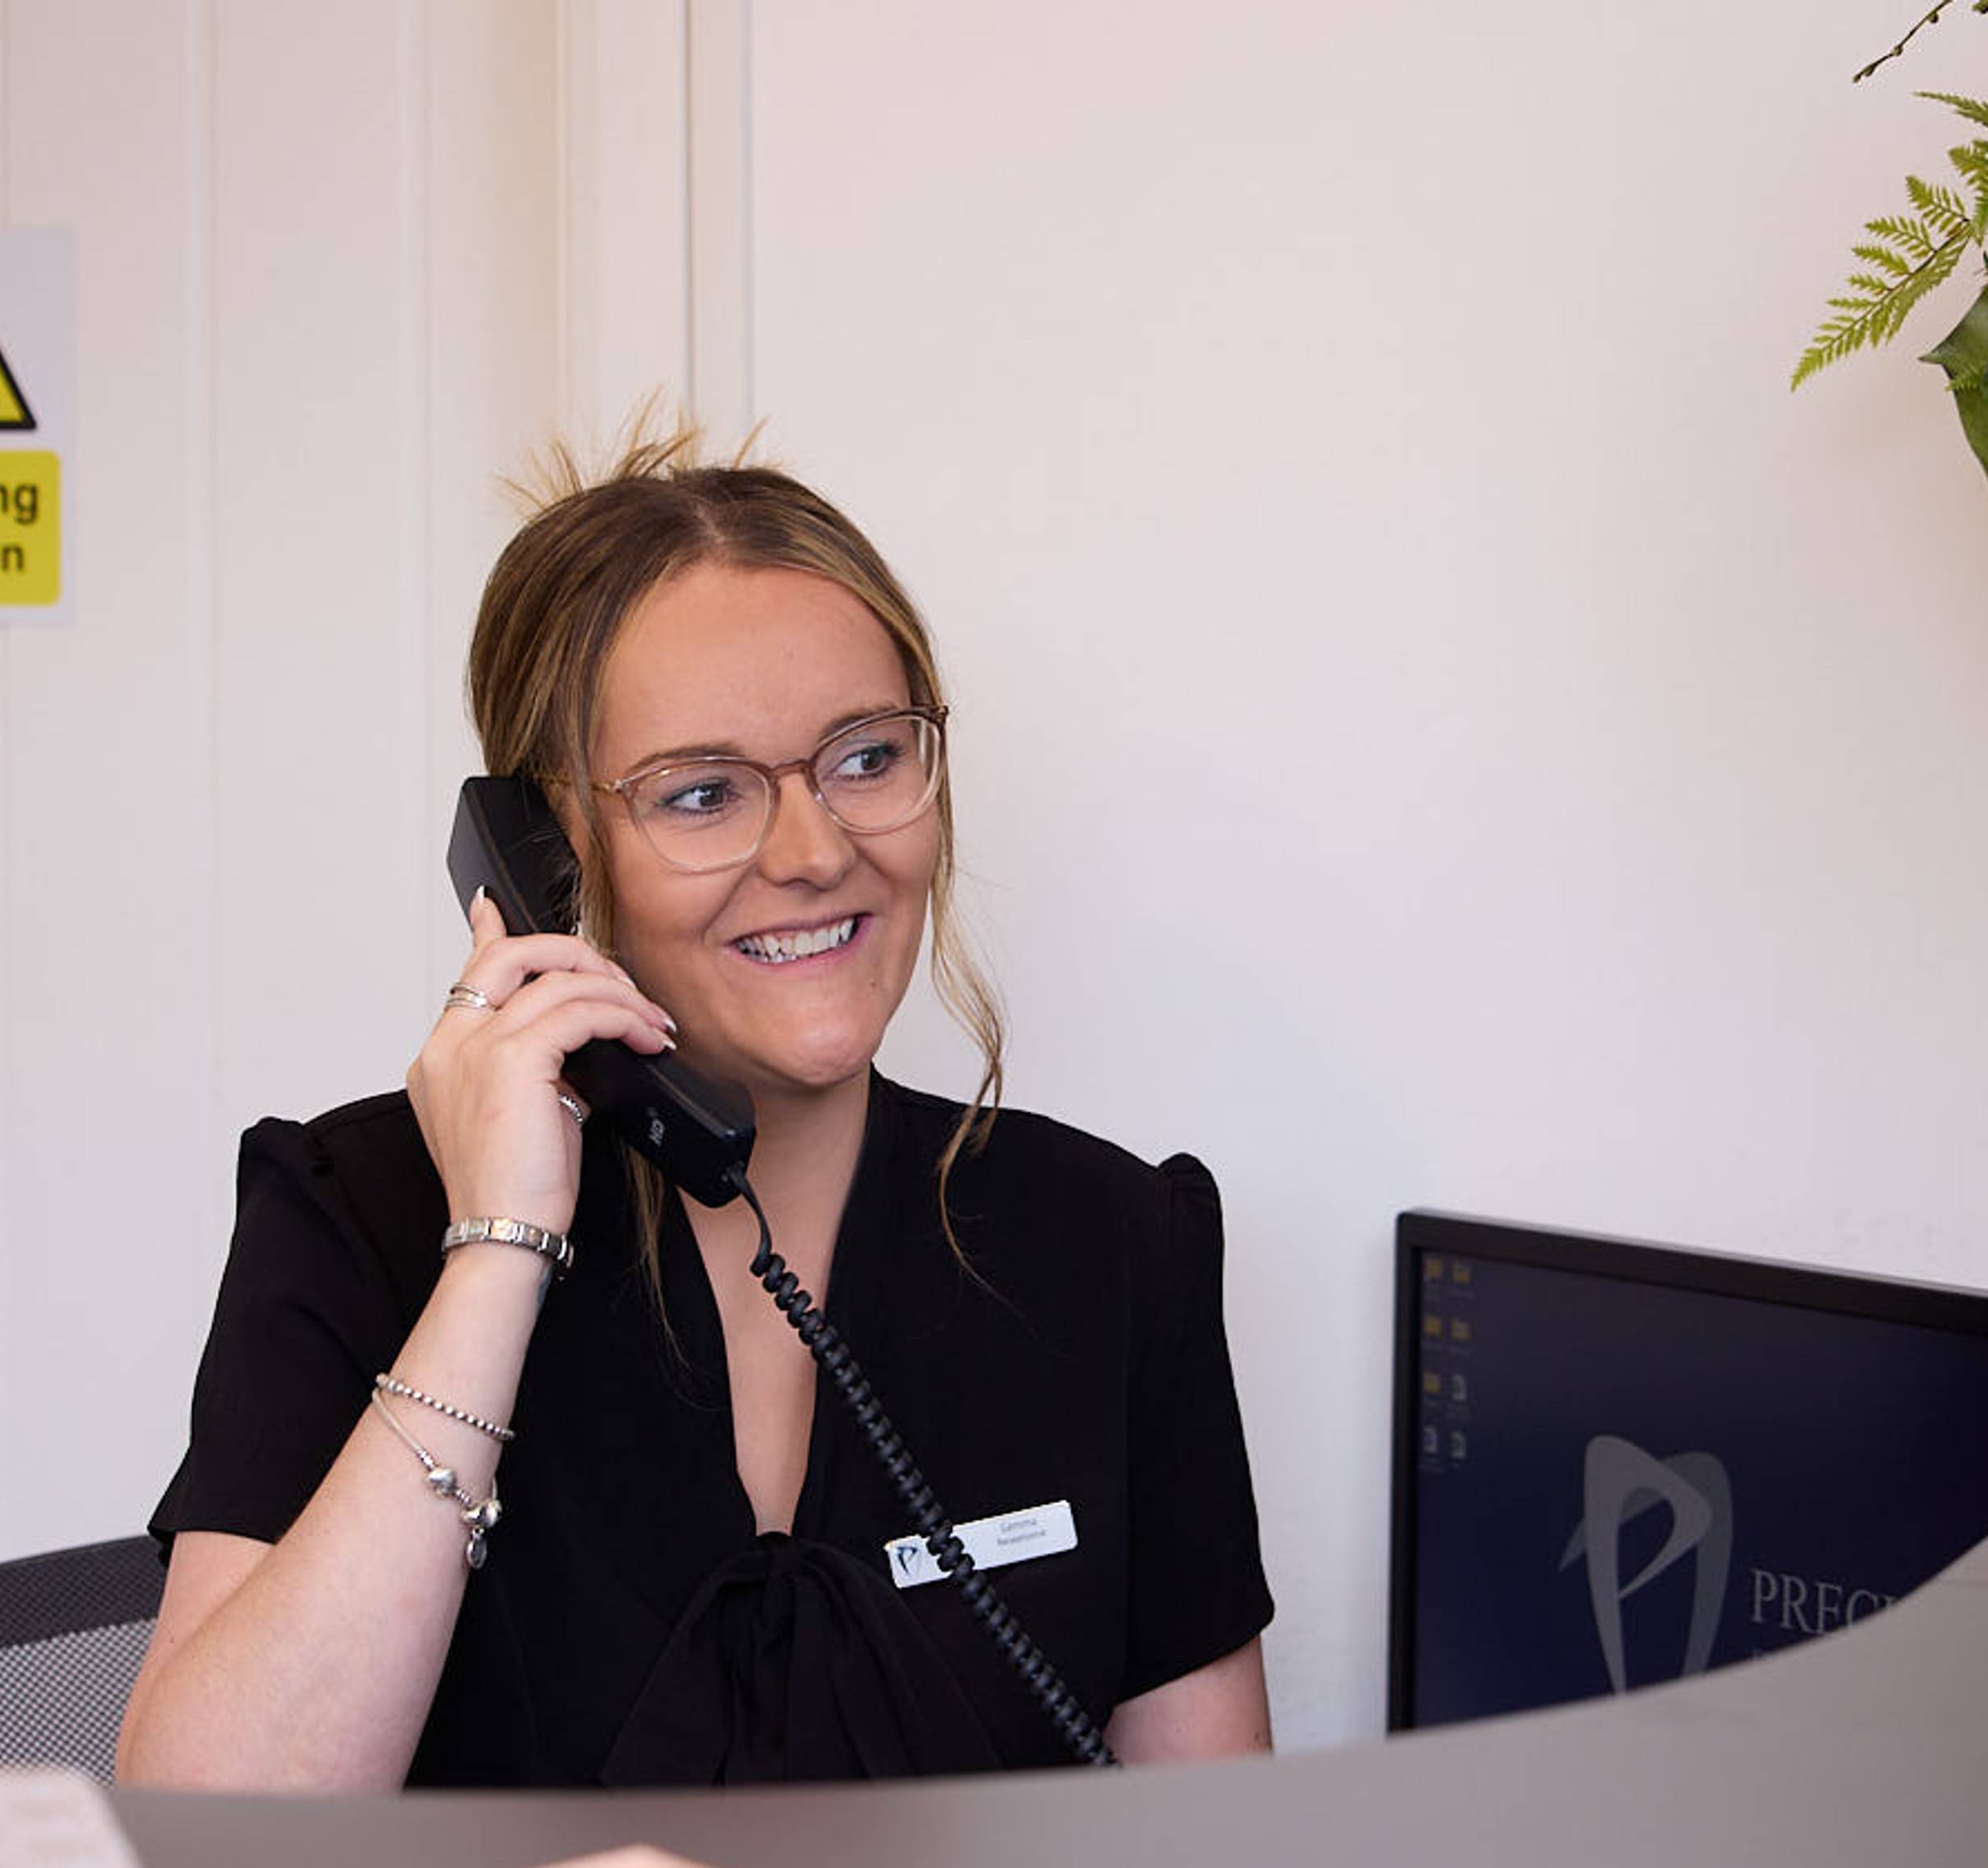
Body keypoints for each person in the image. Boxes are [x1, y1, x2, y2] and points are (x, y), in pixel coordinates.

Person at [116, 430, 1275, 1789]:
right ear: (543, 856)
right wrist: (497, 1248)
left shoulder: (1108, 1240)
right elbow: (209, 1847)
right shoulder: (360, 1219)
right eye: (703, 793)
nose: (816, 851)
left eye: (864, 757)